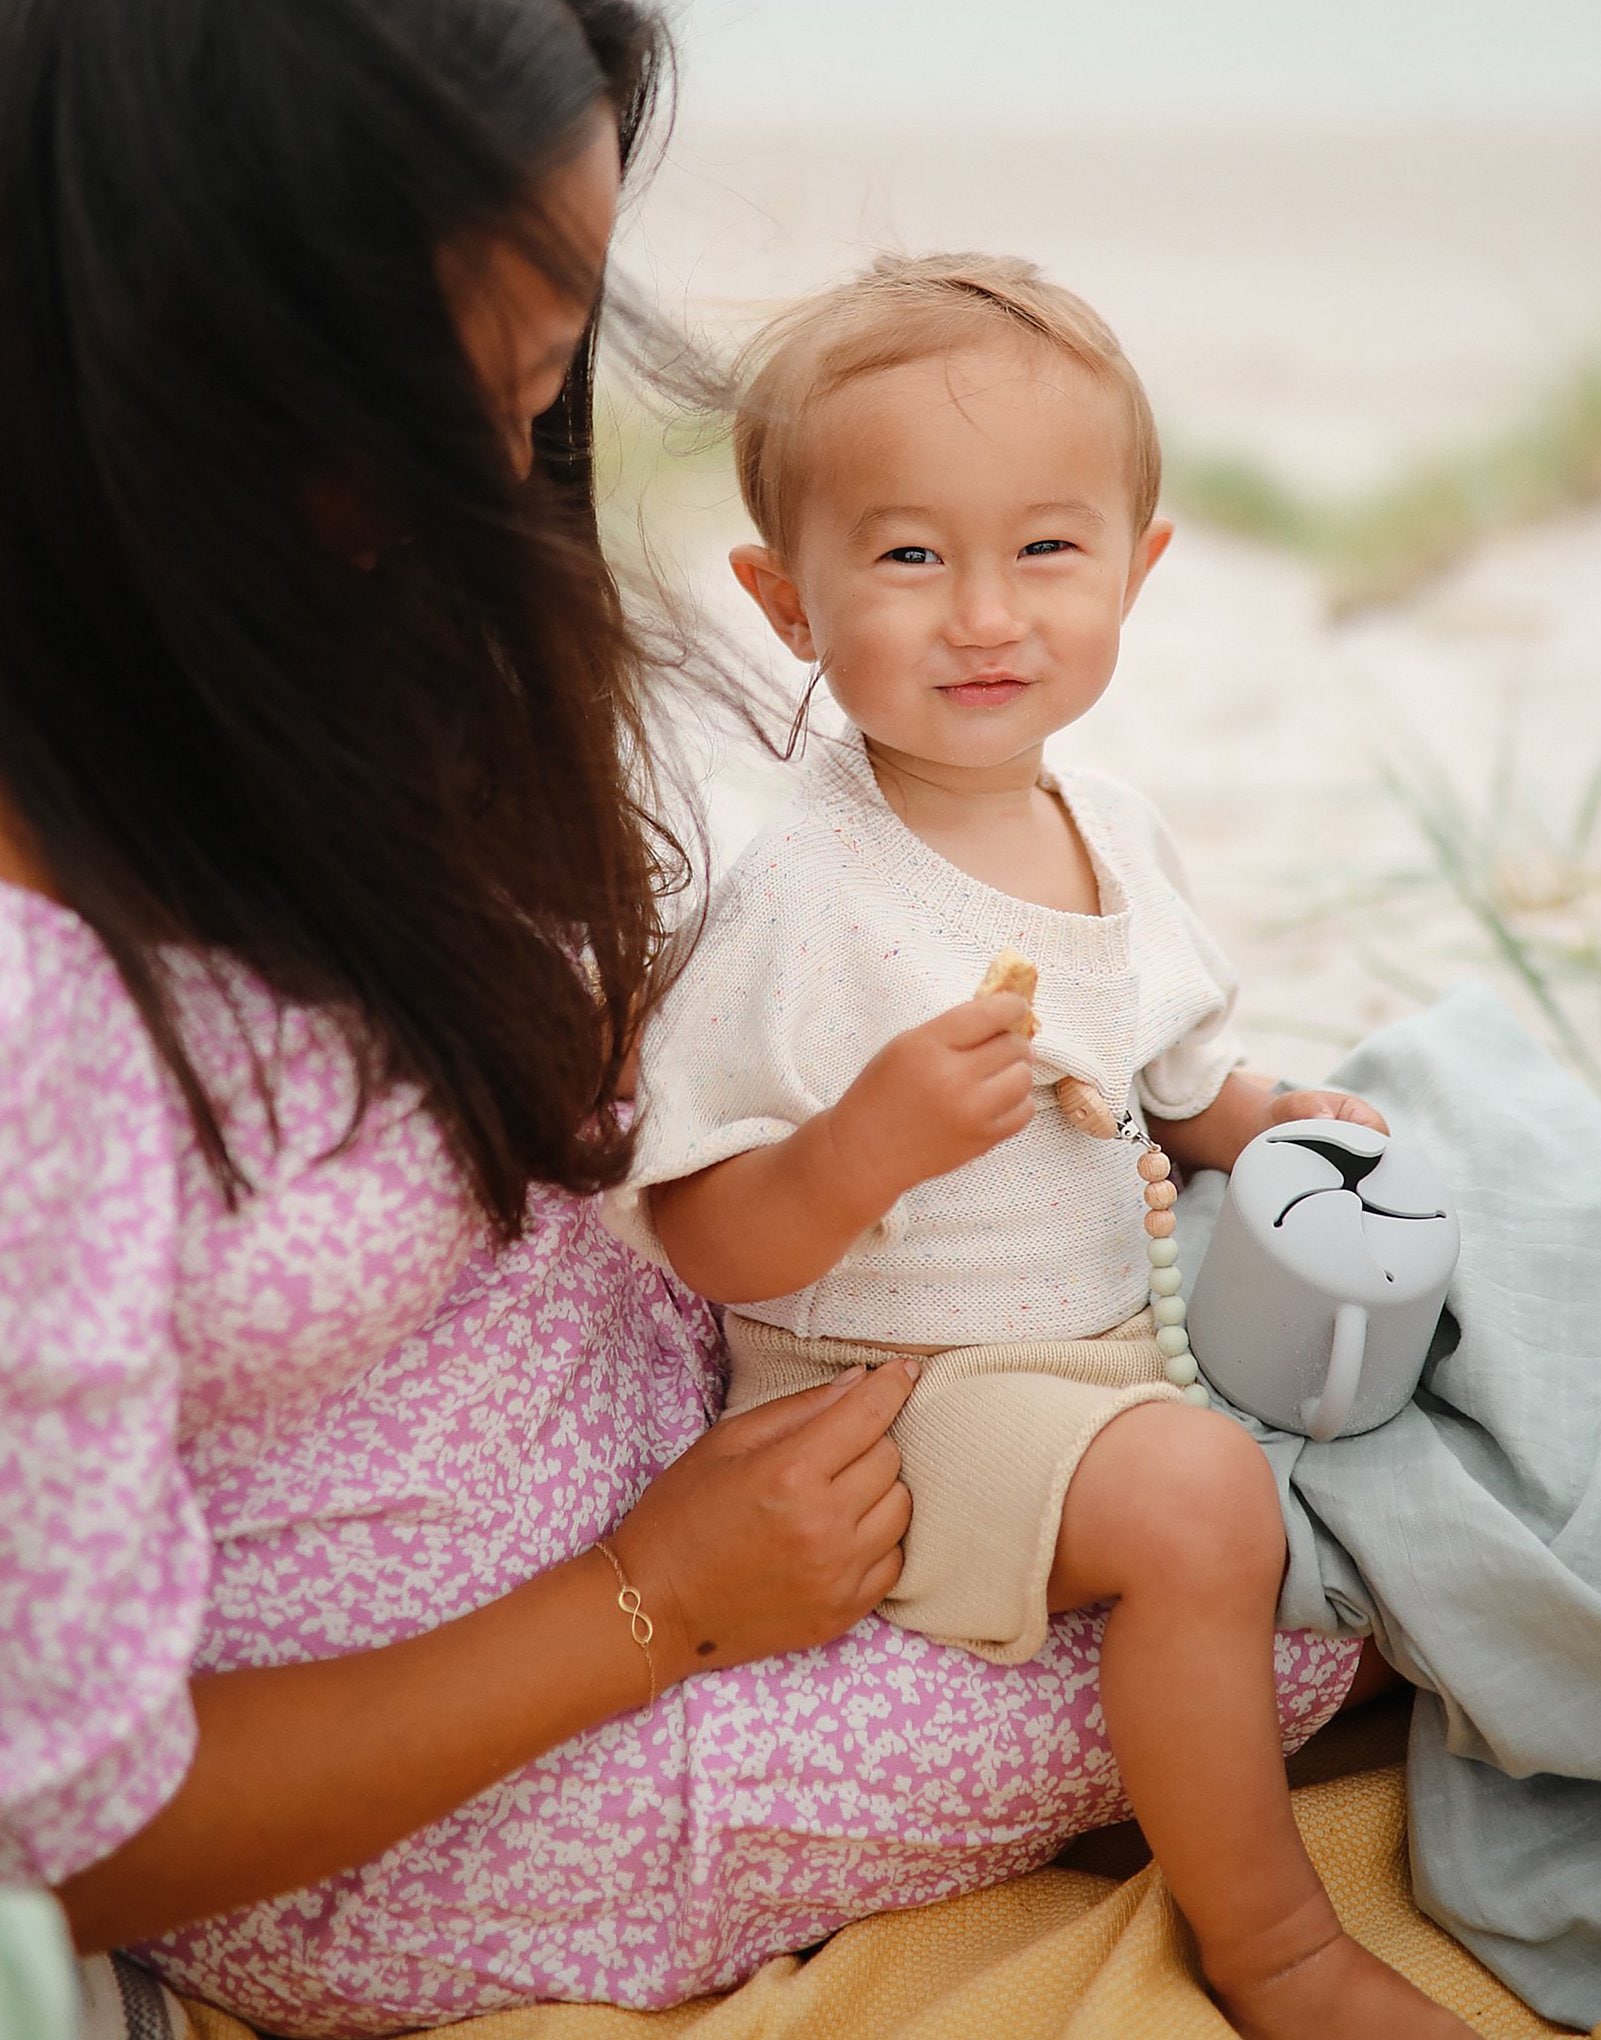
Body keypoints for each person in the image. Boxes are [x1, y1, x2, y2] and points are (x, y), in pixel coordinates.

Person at [0, 3, 1369, 2035]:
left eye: (543, 390)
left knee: (1389, 1341)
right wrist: (654, 1603)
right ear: (156, 363)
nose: (496, 483)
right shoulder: (45, 1004)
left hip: (723, 1411)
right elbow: (82, 1826)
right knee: (1313, 1595)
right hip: (469, 1770)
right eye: (441, 398)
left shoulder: (283, 667)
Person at [608, 255, 1469, 2040]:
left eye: (1047, 551)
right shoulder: (809, 898)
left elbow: (1159, 1063)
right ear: (787, 600)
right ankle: (1281, 1948)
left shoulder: (1113, 823)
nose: (984, 612)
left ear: (1138, 573)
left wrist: (1252, 1118)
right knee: (1202, 1496)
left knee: (1420, 1364)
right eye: (910, 555)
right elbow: (700, 1231)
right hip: (892, 1388)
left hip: (1087, 1345)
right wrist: (860, 1150)